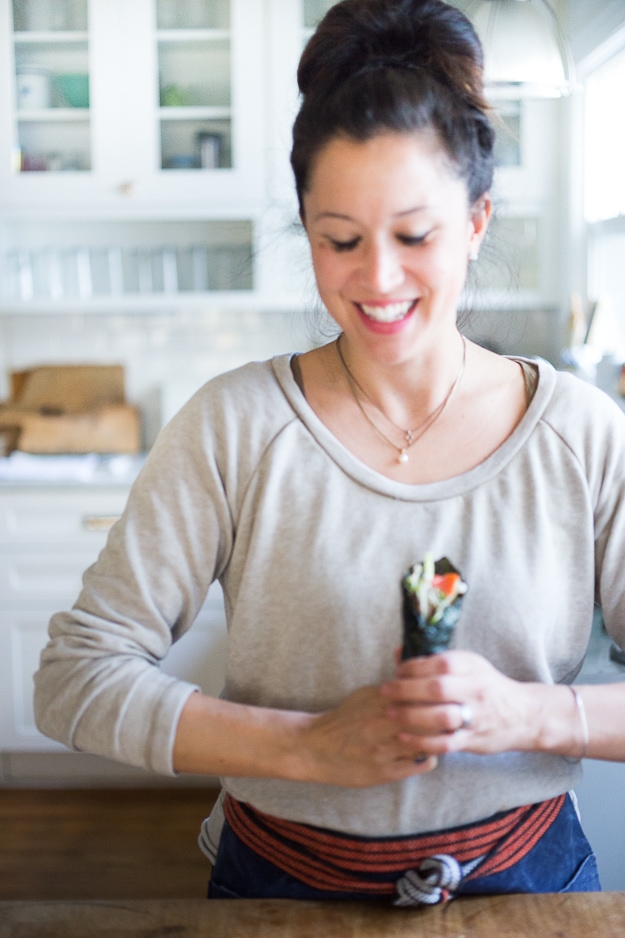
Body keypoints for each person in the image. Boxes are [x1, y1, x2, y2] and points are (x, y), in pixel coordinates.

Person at [34, 0, 625, 905]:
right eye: (338, 240)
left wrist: (528, 713)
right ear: (304, 227)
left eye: (414, 235)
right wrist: (305, 748)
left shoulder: (583, 432)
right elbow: (75, 679)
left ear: (475, 221)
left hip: (532, 889)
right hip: (278, 889)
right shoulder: (233, 426)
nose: (376, 279)